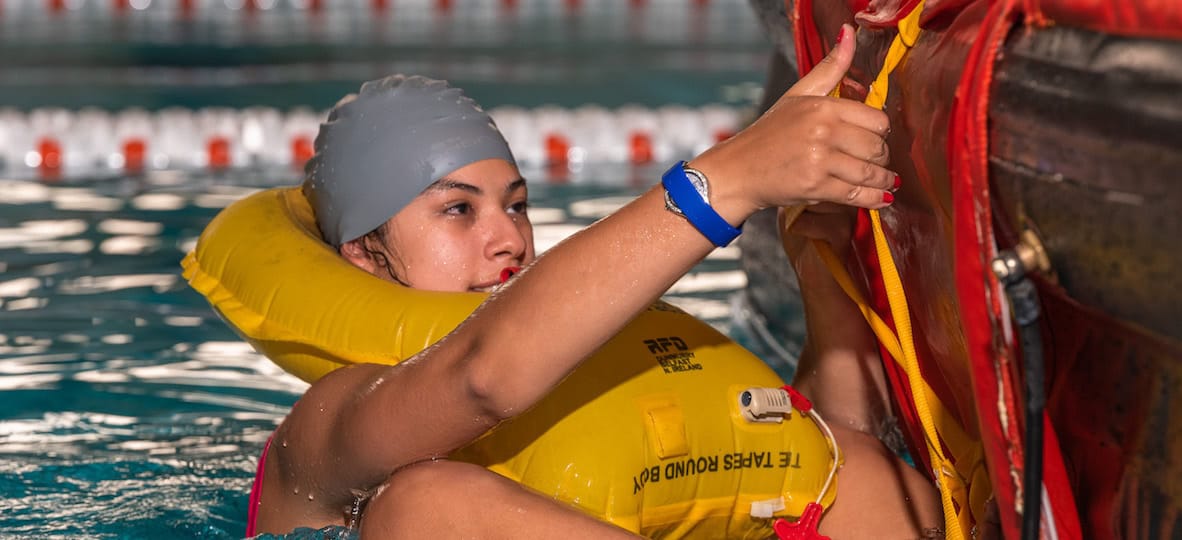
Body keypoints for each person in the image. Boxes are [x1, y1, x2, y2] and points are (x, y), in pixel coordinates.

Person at [251, 25, 941, 539]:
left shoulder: (603, 361)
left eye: (516, 205)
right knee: (420, 507)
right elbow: (480, 378)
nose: (508, 238)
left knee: (858, 462)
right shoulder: (326, 425)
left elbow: (818, 461)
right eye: (458, 210)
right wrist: (728, 182)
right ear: (365, 256)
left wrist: (818, 259)